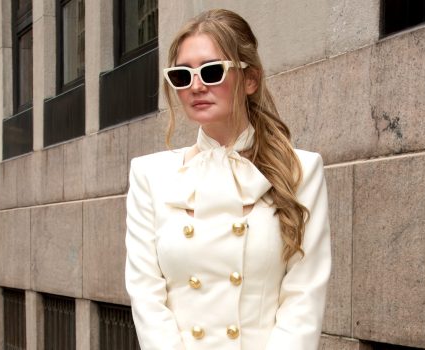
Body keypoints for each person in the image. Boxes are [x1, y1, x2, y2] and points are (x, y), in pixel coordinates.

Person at [125, 8, 331, 350]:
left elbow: (302, 298)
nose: (195, 86)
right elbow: (146, 295)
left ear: (250, 79)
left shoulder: (300, 171)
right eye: (181, 76)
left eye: (212, 71)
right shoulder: (150, 176)